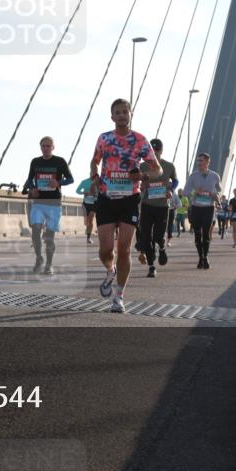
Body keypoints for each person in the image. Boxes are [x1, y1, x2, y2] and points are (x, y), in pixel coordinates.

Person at [91, 99, 160, 313]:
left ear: (131, 114)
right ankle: (109, 269)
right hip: (106, 197)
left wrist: (144, 175)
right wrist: (94, 174)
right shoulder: (105, 138)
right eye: (117, 112)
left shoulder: (140, 140)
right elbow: (95, 160)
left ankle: (119, 296)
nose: (121, 115)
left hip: (130, 198)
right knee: (105, 250)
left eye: (125, 112)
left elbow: (156, 169)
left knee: (124, 249)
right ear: (112, 117)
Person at [22, 137, 73, 275]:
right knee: (35, 230)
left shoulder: (60, 161)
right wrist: (32, 189)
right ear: (40, 147)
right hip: (38, 203)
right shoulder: (35, 162)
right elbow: (29, 180)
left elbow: (70, 179)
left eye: (48, 146)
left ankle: (49, 265)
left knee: (49, 237)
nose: (46, 148)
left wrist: (58, 183)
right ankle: (39, 258)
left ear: (53, 147)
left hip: (54, 203)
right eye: (43, 146)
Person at [135, 139, 177, 278]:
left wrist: (171, 189)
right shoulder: (142, 166)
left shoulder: (169, 166)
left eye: (157, 151)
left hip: (162, 206)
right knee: (146, 237)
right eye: (151, 151)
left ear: (161, 151)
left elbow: (175, 180)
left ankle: (162, 247)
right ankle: (151, 266)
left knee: (158, 236)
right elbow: (134, 179)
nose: (154, 154)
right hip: (147, 205)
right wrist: (140, 185)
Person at [183, 153, 222, 269]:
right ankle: (201, 257)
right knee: (197, 234)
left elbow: (219, 191)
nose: (199, 163)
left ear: (208, 162)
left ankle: (205, 257)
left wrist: (216, 196)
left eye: (201, 161)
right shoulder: (193, 176)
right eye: (198, 161)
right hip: (196, 208)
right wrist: (196, 192)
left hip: (209, 208)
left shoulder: (215, 176)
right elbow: (185, 192)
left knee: (205, 234)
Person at [76, 176, 97, 244]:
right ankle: (87, 227)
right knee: (86, 222)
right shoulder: (84, 182)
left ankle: (88, 238)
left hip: (93, 204)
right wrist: (84, 192)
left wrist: (95, 195)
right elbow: (77, 191)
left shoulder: (99, 183)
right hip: (85, 204)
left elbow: (102, 192)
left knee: (90, 221)